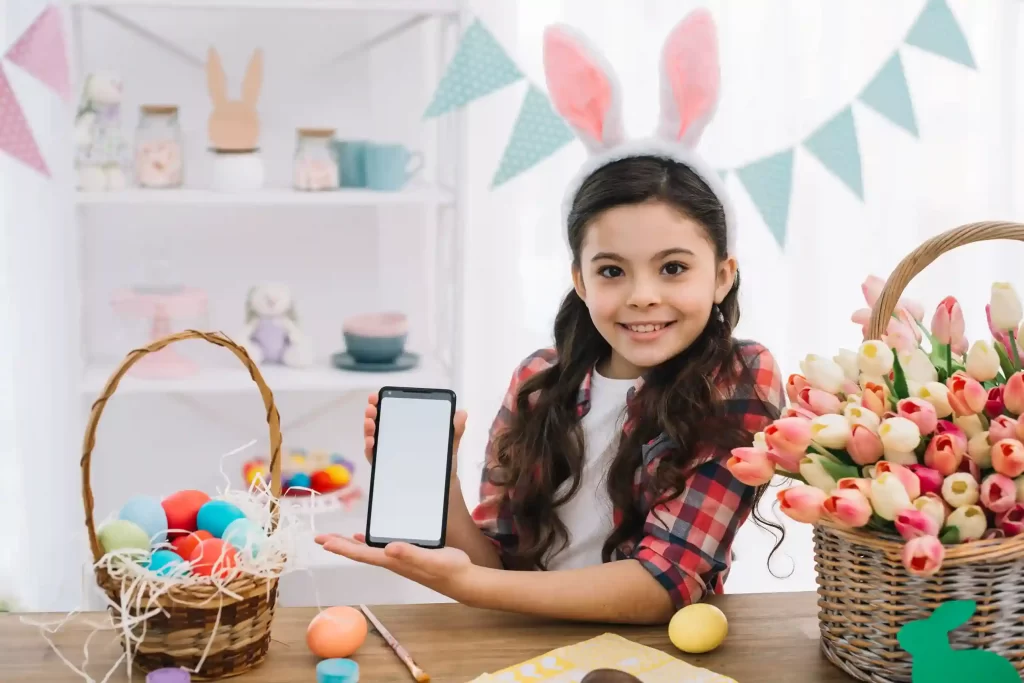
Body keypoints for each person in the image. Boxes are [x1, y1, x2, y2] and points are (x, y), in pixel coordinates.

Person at [316, 9, 786, 625]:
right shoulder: (541, 382)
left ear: (723, 275)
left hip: (658, 658)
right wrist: (444, 490)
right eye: (613, 271)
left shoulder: (739, 376)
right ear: (580, 280)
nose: (643, 296)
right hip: (527, 651)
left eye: (673, 268)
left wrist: (474, 589)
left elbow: (664, 583)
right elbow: (499, 565)